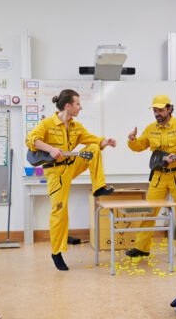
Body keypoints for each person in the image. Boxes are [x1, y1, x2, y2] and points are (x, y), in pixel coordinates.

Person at [26, 89, 116, 270]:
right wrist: (51, 149)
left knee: (93, 148)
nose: (80, 107)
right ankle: (56, 253)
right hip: (56, 174)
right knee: (59, 211)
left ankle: (99, 187)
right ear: (68, 106)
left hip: (72, 165)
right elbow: (31, 139)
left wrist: (105, 142)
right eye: (78, 104)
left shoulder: (76, 126)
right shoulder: (47, 123)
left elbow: (93, 140)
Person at [126, 94, 176, 260]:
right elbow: (140, 146)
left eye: (161, 110)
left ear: (169, 109)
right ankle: (142, 248)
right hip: (158, 176)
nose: (157, 113)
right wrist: (131, 140)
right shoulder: (151, 128)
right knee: (149, 211)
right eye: (155, 110)